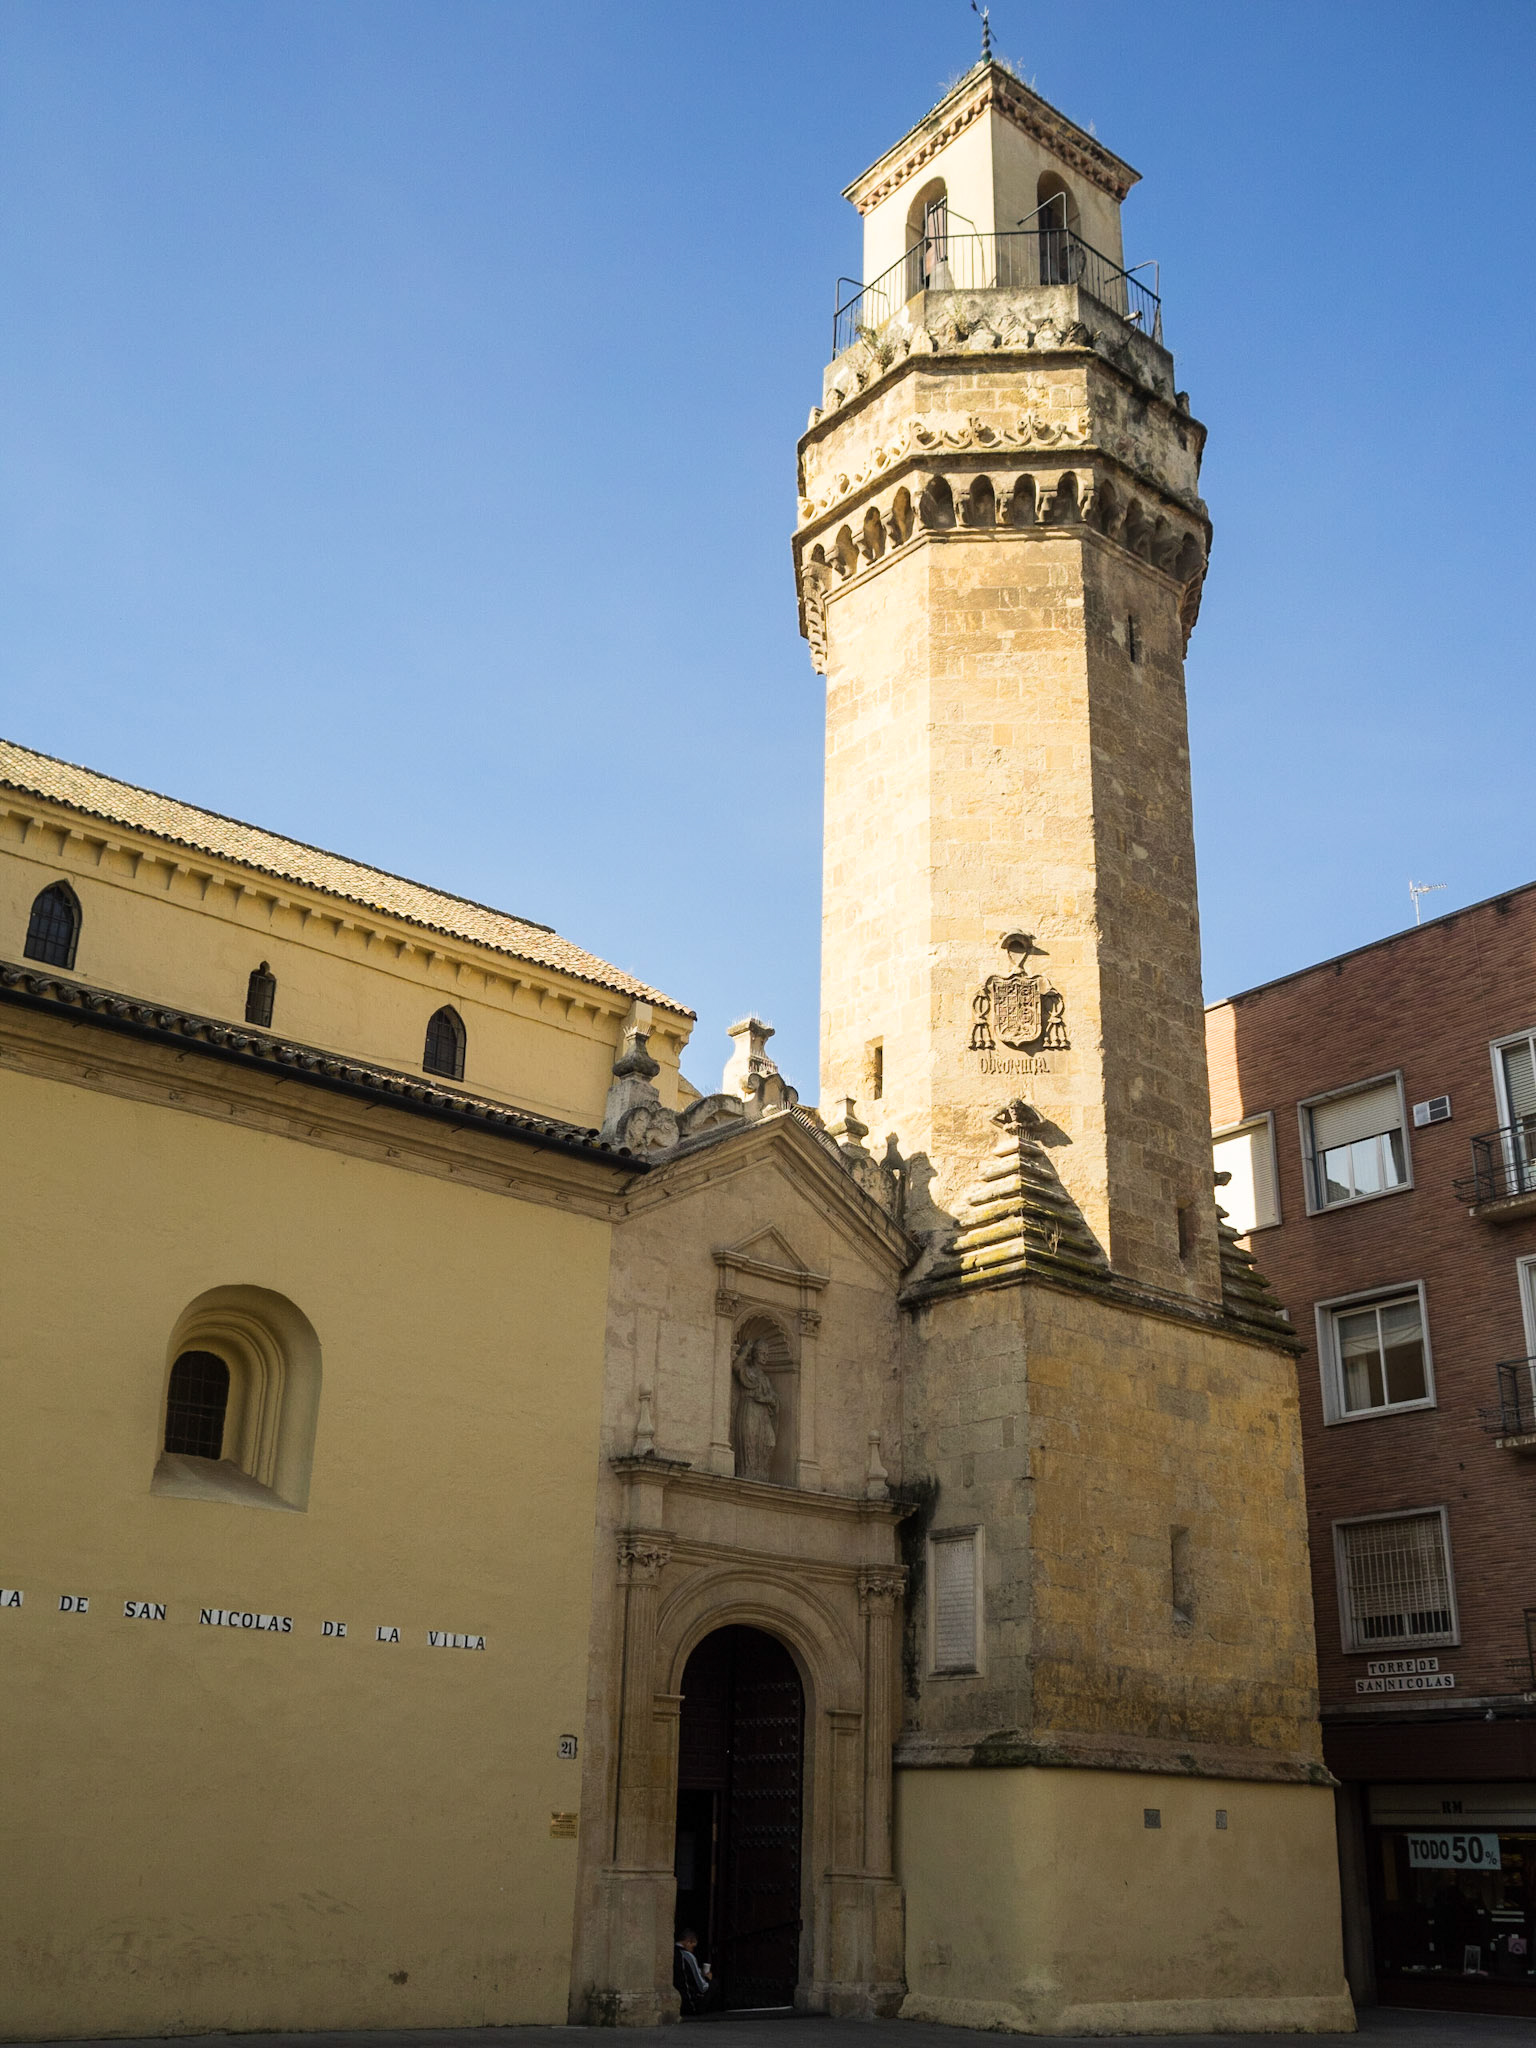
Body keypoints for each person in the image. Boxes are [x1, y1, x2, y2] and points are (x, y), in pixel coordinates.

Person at [674, 1928, 712, 2014]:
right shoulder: (687, 1956)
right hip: (688, 2003)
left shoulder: (672, 1952)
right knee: (714, 1984)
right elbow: (702, 1987)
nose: (692, 1950)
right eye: (693, 1946)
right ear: (688, 1942)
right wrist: (708, 1978)